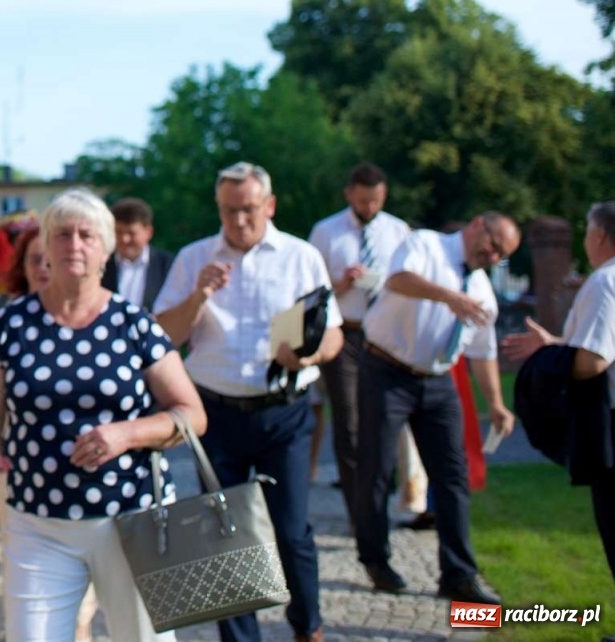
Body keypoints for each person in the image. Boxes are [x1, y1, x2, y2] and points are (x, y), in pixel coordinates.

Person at [0, 188, 205, 642]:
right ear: (46, 246)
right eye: (63, 234)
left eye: (87, 235)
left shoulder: (135, 324)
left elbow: (192, 413)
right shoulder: (10, 325)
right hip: (37, 520)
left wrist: (128, 434)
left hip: (133, 516)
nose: (74, 244)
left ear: (107, 249)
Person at [154, 162, 342, 642]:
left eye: (249, 210)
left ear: (270, 206)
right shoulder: (195, 257)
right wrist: (199, 295)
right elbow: (164, 338)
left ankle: (307, 627)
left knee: (292, 528)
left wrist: (308, 355)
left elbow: (335, 334)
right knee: (226, 536)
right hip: (216, 414)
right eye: (229, 211)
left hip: (284, 410)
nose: (238, 221)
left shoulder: (301, 256)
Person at [355, 212, 519, 605]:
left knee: (453, 475)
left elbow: (482, 352)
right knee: (377, 471)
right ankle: (376, 560)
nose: (493, 257)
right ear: (477, 224)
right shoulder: (424, 244)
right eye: (493, 245)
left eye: (503, 255)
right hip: (386, 370)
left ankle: (458, 574)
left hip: (437, 380)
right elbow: (398, 280)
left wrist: (496, 402)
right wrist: (450, 296)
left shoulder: (482, 288)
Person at [503, 202, 615, 586]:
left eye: (587, 229)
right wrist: (553, 344)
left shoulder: (606, 281)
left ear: (598, 235)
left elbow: (592, 362)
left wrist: (548, 358)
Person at [306, 162, 410, 518]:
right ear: (350, 194)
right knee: (348, 423)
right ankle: (358, 511)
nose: (369, 208)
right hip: (345, 333)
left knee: (382, 419)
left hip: (384, 334)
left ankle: (381, 496)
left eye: (376, 201)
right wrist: (341, 283)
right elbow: (310, 290)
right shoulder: (326, 232)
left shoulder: (398, 232)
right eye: (364, 200)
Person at [102, 198, 172, 313]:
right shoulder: (102, 265)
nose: (124, 239)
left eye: (131, 233)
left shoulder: (168, 265)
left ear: (148, 232)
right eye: (118, 232)